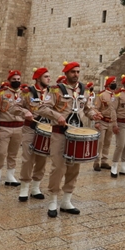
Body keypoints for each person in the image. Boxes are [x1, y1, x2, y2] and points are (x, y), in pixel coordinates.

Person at [43, 61, 99, 216]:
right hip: (60, 133)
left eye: (78, 72)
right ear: (66, 73)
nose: (76, 74)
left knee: (74, 167)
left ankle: (66, 200)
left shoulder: (82, 89)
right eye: (73, 72)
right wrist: (57, 116)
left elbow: (86, 109)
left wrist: (94, 115)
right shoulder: (56, 90)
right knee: (58, 167)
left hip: (77, 134)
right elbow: (43, 108)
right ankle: (53, 200)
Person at [17, 67, 55, 200]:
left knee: (42, 159)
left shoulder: (52, 93)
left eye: (49, 76)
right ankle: (24, 187)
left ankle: (35, 187)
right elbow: (15, 107)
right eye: (46, 76)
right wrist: (24, 112)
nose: (49, 79)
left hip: (46, 129)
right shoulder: (27, 92)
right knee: (28, 158)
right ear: (38, 78)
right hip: (30, 128)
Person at [94, 76, 118, 172]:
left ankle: (104, 160)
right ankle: (96, 162)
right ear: (108, 84)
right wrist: (96, 122)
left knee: (107, 142)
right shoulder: (102, 95)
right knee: (100, 142)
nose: (115, 83)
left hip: (111, 122)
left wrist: (115, 124)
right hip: (102, 121)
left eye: (115, 82)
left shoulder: (116, 96)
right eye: (113, 82)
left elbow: (115, 111)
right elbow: (96, 108)